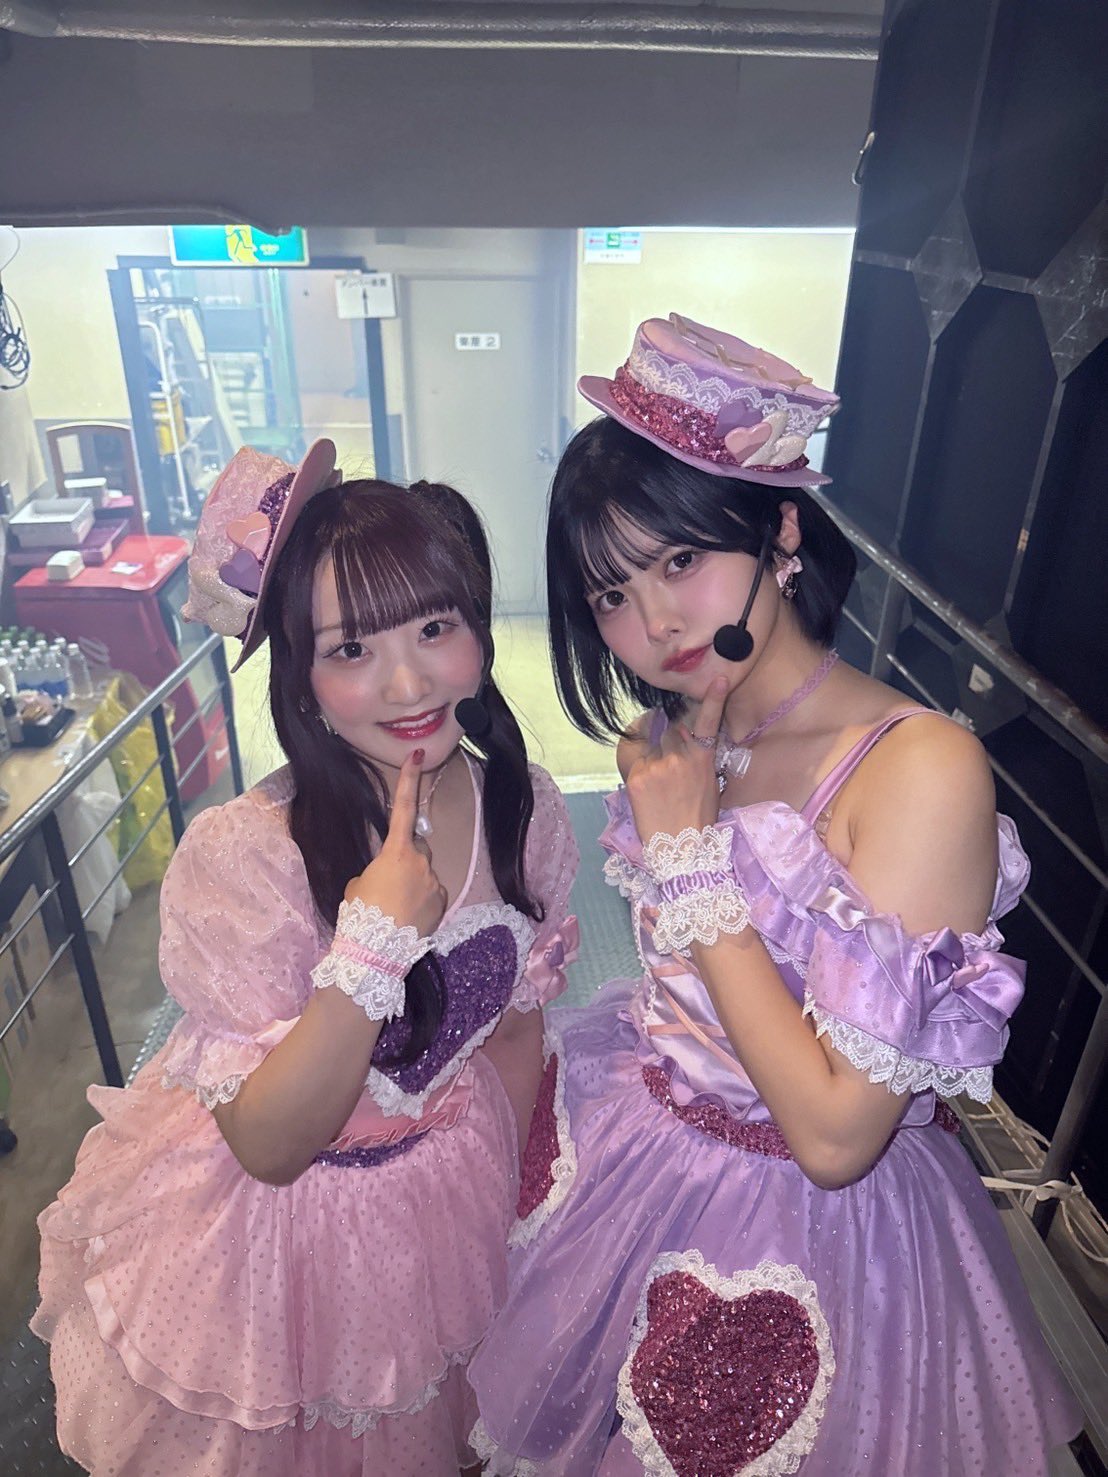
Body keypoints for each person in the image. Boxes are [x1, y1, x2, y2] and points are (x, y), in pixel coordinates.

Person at [468, 315, 1082, 1475]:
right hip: (643, 1163)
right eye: (609, 593)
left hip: (820, 1240)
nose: (652, 624)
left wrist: (693, 863)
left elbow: (839, 1133)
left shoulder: (918, 766)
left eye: (678, 561)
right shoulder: (676, 733)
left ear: (781, 531)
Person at [32, 439, 578, 1475]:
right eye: (351, 647)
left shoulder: (525, 810)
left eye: (436, 626)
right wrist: (372, 944)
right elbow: (269, 1143)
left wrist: (511, 1210)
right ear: (301, 676)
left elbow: (514, 1027)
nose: (409, 681)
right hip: (278, 1235)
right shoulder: (248, 858)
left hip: (448, 1187)